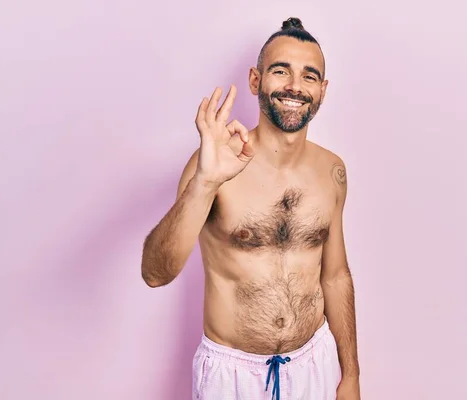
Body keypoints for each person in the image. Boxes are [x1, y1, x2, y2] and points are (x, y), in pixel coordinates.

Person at [141, 17, 360, 400]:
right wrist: (205, 182)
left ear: (322, 90)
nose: (295, 86)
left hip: (314, 364)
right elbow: (155, 273)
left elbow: (336, 275)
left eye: (309, 76)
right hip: (233, 376)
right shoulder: (214, 164)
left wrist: (350, 375)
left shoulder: (333, 171)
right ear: (255, 80)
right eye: (281, 71)